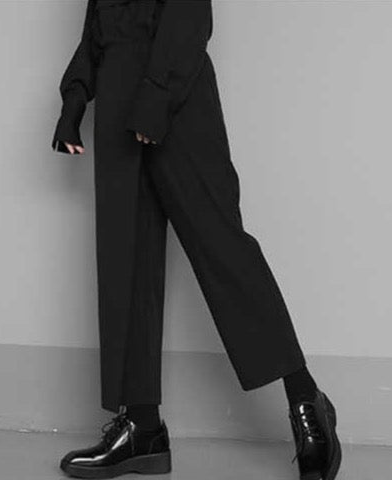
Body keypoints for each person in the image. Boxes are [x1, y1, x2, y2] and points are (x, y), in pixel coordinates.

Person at [50, 1, 342, 479]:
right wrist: (75, 99)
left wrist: (156, 96)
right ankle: (142, 427)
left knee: (221, 249)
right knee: (126, 258)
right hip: (118, 98)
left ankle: (305, 397)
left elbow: (189, 14)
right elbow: (98, 30)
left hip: (177, 95)